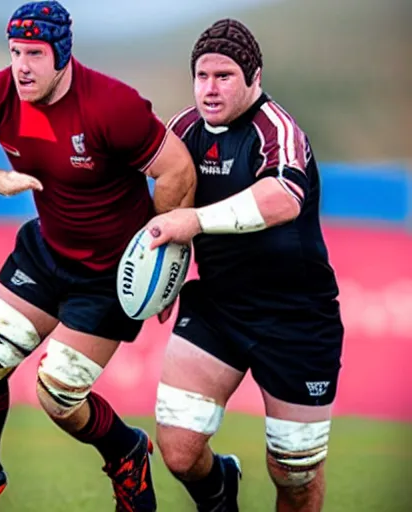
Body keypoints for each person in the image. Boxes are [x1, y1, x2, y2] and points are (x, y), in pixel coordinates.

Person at [0, 2, 196, 511]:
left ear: (62, 55)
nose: (22, 65)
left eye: (35, 54)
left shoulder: (112, 104)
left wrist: (164, 258)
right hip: (46, 251)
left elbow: (177, 169)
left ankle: (127, 452)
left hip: (111, 275)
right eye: (15, 51)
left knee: (58, 396)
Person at [145, 19, 344, 512]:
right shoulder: (183, 129)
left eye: (225, 76)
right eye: (202, 75)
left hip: (295, 317)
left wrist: (194, 221)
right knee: (178, 450)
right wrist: (163, 274)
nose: (210, 88)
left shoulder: (276, 129)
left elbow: (282, 198)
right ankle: (221, 493)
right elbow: (164, 200)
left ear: (254, 76)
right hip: (217, 308)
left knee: (293, 471)